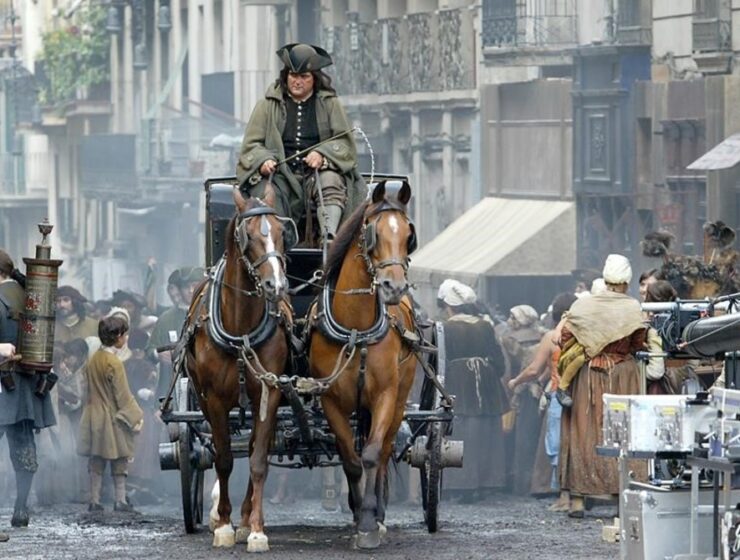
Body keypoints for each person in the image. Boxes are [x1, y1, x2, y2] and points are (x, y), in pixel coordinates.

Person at [236, 43, 367, 242]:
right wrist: (263, 161)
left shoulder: (330, 104)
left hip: (316, 174)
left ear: (314, 79)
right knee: (267, 193)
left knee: (331, 181)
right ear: (286, 76)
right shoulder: (266, 106)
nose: (297, 81)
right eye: (293, 76)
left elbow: (345, 144)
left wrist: (323, 155)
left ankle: (329, 239)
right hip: (279, 177)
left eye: (304, 77)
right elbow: (251, 146)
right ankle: (274, 244)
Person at [557, 254, 647, 517]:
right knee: (622, 432)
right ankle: (621, 497)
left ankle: (577, 499)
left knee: (584, 431)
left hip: (588, 373)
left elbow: (565, 337)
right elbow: (638, 342)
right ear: (627, 283)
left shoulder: (583, 305)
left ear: (606, 280)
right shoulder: (631, 307)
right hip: (623, 375)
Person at [435, 279, 508, 502]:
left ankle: (461, 485)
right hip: (486, 385)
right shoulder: (485, 326)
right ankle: (487, 482)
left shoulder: (444, 328)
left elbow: (439, 361)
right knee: (486, 432)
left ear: (448, 306)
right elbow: (499, 362)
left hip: (457, 383)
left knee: (460, 431)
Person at [0, 249, 56, 530]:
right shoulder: (32, 294)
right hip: (28, 384)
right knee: (23, 449)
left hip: (2, 382)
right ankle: (21, 507)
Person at [508, 293, 576, 506]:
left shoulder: (550, 337)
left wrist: (515, 382)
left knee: (556, 443)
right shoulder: (586, 334)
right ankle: (577, 493)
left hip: (559, 394)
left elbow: (534, 369)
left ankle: (564, 495)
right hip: (582, 394)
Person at [78, 315, 144, 512]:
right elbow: (122, 394)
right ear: (118, 337)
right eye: (124, 334)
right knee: (120, 458)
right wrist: (136, 416)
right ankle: (120, 500)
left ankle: (94, 500)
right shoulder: (114, 362)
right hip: (112, 416)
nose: (126, 338)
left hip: (93, 414)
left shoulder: (93, 359)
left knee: (96, 459)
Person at [500, 304, 546, 495]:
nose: (510, 320)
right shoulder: (546, 335)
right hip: (541, 389)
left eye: (513, 316)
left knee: (523, 437)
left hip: (523, 390)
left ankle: (521, 483)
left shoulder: (509, 339)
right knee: (535, 437)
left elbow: (508, 368)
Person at [148, 267, 204, 398]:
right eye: (186, 287)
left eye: (195, 286)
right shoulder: (166, 319)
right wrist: (158, 354)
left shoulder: (213, 316)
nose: (191, 291)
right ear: (179, 290)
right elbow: (149, 350)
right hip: (172, 389)